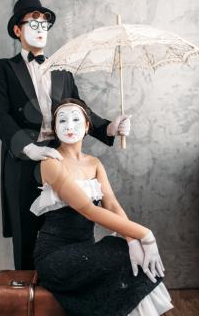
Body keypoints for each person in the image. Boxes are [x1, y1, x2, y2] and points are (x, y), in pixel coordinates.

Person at [0, 0, 131, 269]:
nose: (41, 29)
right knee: (26, 236)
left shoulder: (62, 68)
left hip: (60, 158)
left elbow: (79, 109)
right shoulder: (2, 68)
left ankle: (64, 293)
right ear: (17, 30)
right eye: (33, 23)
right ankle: (30, 302)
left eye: (44, 24)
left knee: (68, 230)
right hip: (21, 162)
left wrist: (109, 127)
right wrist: (27, 148)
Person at [31, 98, 174, 316]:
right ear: (54, 128)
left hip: (85, 250)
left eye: (76, 119)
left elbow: (112, 204)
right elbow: (88, 209)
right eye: (62, 121)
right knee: (122, 254)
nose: (69, 126)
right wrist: (145, 234)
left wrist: (131, 239)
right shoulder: (50, 162)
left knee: (125, 249)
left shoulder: (94, 163)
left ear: (88, 126)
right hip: (55, 257)